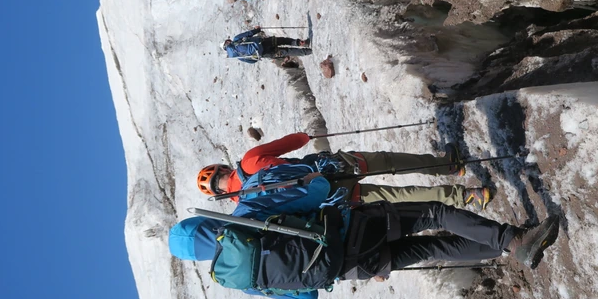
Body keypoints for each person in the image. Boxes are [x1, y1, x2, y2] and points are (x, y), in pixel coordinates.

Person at [169, 174, 560, 299]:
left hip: (351, 268)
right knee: (434, 214)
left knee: (433, 249)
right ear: (199, 224)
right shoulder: (241, 219)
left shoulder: (236, 278)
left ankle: (506, 249)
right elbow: (314, 191)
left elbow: (306, 298)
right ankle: (515, 241)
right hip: (351, 227)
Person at [197, 132, 492, 210]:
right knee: (388, 162)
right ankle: (448, 166)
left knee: (400, 197)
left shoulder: (248, 206)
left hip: (334, 195)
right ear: (222, 168)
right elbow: (295, 141)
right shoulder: (250, 159)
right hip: (333, 166)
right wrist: (304, 138)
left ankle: (467, 196)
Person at [223, 27, 311, 63]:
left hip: (264, 53)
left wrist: (258, 54)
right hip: (263, 42)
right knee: (283, 40)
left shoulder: (238, 57)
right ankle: (300, 43)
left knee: (287, 51)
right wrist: (257, 30)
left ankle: (308, 52)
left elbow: (252, 61)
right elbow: (248, 34)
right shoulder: (235, 40)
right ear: (227, 43)